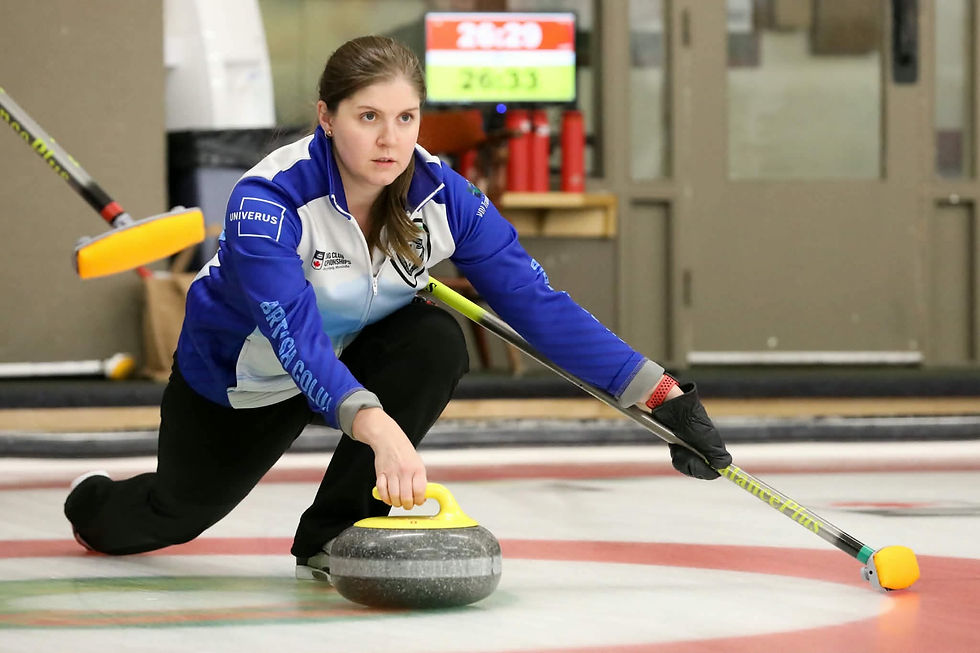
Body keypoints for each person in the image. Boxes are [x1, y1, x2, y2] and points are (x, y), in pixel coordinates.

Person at [64, 35, 732, 579]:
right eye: (368, 117)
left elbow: (534, 302)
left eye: (405, 118)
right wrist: (378, 426)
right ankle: (91, 502)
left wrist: (659, 391)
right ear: (327, 118)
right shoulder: (265, 204)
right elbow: (294, 338)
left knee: (436, 339)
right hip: (247, 377)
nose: (390, 139)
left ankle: (334, 532)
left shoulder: (448, 199)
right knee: (171, 514)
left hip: (354, 348)